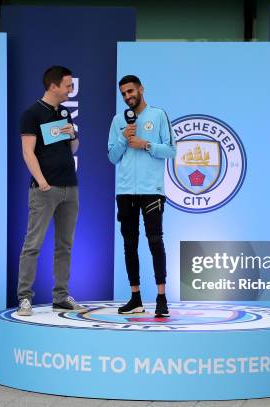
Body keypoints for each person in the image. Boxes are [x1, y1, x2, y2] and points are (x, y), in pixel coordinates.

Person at [16, 66, 87, 316]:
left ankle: (61, 296)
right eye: (68, 85)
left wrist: (73, 134)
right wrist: (42, 181)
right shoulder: (32, 114)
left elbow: (73, 149)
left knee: (64, 245)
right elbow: (28, 152)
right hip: (45, 189)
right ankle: (25, 297)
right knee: (33, 244)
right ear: (53, 86)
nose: (71, 89)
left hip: (71, 187)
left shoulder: (64, 112)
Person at [107, 75, 176, 317]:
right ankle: (135, 298)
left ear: (141, 89)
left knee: (155, 241)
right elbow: (112, 157)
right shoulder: (118, 121)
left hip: (151, 191)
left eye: (130, 91)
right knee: (129, 244)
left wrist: (146, 144)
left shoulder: (158, 115)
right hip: (125, 191)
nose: (127, 96)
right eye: (123, 94)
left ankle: (161, 297)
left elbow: (170, 150)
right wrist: (123, 138)